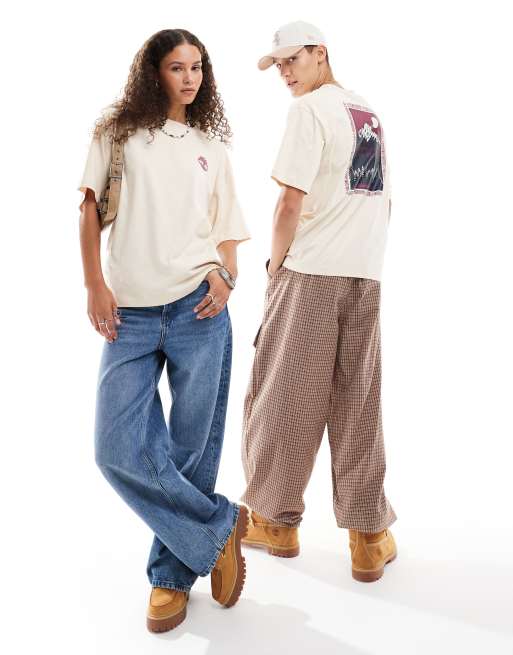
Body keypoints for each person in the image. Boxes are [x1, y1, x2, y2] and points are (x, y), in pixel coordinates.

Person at [77, 28, 251, 633]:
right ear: (154, 72)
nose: (189, 78)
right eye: (177, 67)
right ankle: (219, 527)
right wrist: (94, 284)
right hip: (129, 312)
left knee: (190, 448)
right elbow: (89, 208)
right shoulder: (116, 131)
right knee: (114, 448)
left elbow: (227, 228)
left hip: (199, 307)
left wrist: (227, 277)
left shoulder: (210, 147)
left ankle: (170, 577)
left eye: (197, 67)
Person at [240, 21, 398, 583]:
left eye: (293, 59)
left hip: (310, 272)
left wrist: (274, 266)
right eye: (278, 64)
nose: (285, 72)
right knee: (358, 400)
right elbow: (382, 198)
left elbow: (289, 202)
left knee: (284, 396)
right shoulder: (366, 111)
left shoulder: (308, 111)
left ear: (320, 54)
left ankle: (273, 522)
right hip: (364, 273)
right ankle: (368, 538)